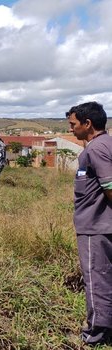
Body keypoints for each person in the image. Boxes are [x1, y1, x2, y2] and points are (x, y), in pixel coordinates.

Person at [66, 101, 112, 346]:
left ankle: (96, 334)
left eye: (74, 124)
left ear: (88, 124)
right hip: (102, 225)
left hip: (96, 227)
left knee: (96, 279)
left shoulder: (96, 149)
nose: (71, 129)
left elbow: (110, 185)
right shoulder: (107, 144)